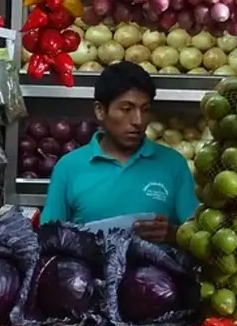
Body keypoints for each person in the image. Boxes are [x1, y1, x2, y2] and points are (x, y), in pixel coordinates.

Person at [41, 62, 199, 243]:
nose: (138, 121)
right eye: (126, 109)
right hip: (88, 271)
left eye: (145, 110)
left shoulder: (173, 164)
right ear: (100, 111)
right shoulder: (68, 168)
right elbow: (49, 239)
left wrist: (173, 234)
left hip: (157, 270)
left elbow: (196, 236)